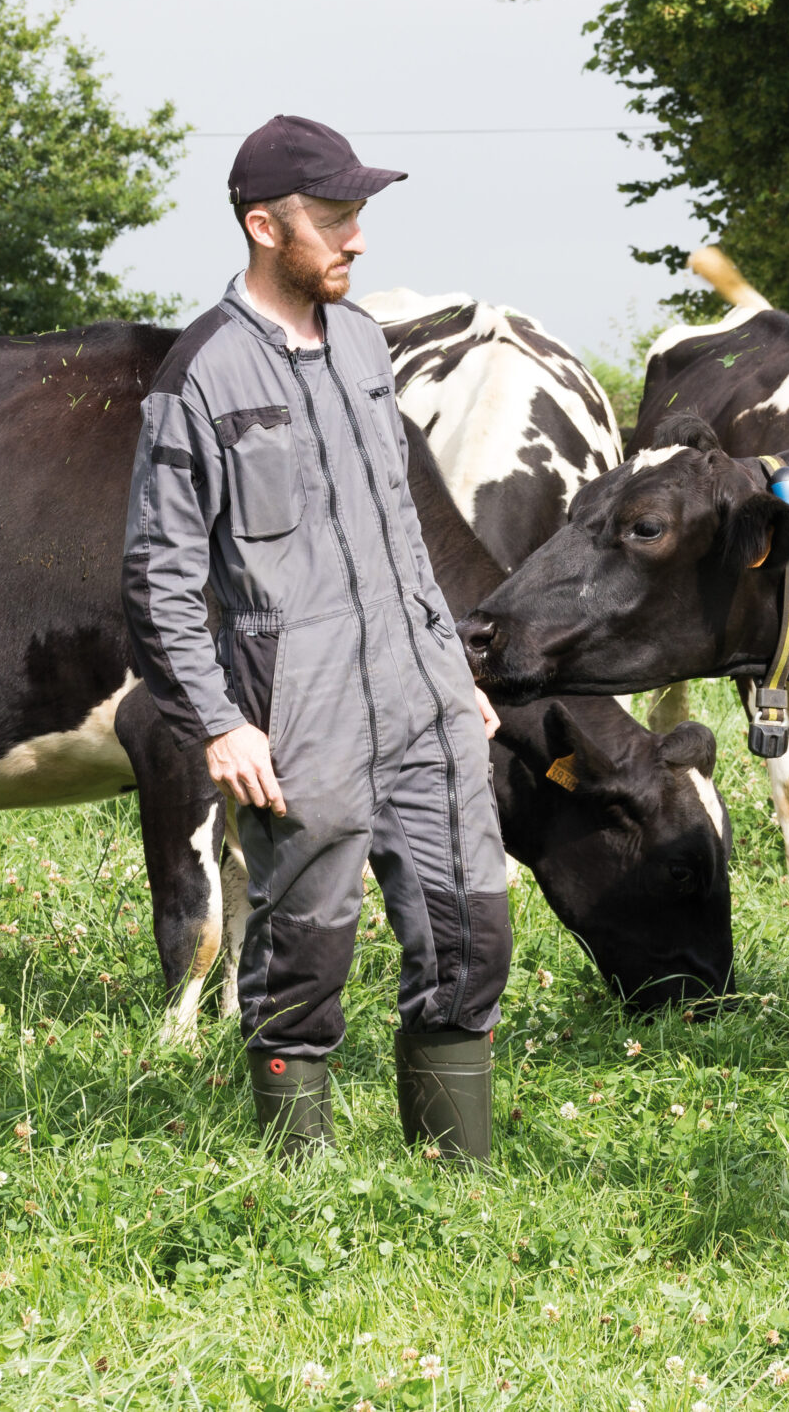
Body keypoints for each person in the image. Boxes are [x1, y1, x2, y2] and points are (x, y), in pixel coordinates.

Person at [122, 114, 509, 1163]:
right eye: (334, 219)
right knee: (305, 949)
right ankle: (305, 1189)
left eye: (359, 217)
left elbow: (399, 527)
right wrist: (217, 724)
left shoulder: (364, 347)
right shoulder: (199, 375)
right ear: (263, 226)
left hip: (421, 693)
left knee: (472, 931)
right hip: (301, 710)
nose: (356, 240)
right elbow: (156, 579)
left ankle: (453, 1176)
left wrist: (446, 662)